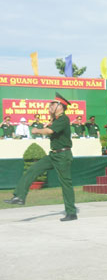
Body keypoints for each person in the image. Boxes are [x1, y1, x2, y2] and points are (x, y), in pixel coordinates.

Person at [4, 92, 77, 221]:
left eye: (53, 104)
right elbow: (51, 128)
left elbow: (50, 131)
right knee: (33, 169)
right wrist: (50, 119)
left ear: (60, 106)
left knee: (66, 183)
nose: (50, 106)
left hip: (63, 155)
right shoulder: (55, 120)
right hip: (54, 154)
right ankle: (19, 196)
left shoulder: (63, 119)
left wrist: (37, 130)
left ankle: (71, 212)